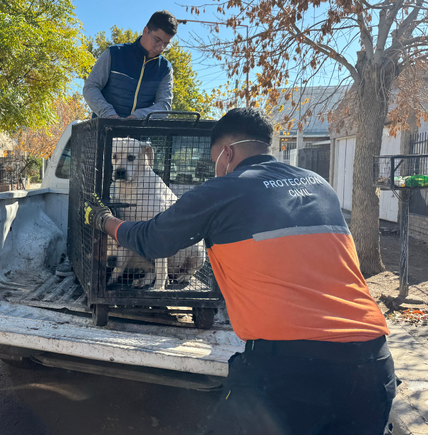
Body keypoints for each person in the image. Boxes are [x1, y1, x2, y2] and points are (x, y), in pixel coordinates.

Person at [84, 108, 397, 434]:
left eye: (214, 159)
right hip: (372, 364)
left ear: (227, 153)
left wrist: (104, 220)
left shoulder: (222, 190)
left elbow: (150, 240)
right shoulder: (319, 185)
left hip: (289, 369)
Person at [83, 10, 177, 119]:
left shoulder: (165, 68)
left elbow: (164, 105)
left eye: (165, 45)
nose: (160, 48)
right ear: (145, 30)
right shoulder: (114, 54)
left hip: (140, 134)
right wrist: (109, 114)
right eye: (157, 40)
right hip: (105, 130)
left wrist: (137, 117)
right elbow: (90, 87)